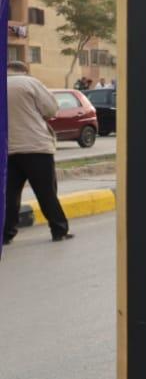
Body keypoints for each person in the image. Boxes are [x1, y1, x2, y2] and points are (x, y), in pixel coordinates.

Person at [5, 61, 73, 244]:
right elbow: (51, 109)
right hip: (36, 148)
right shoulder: (31, 83)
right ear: (25, 71)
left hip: (8, 150)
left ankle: (6, 234)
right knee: (46, 192)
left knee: (9, 195)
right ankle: (59, 230)